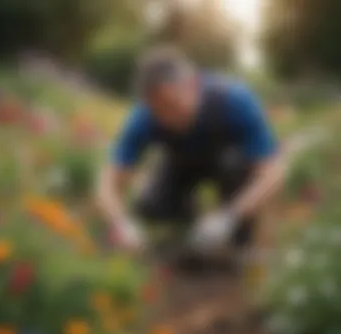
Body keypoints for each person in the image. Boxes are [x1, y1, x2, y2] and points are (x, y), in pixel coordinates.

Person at [97, 45, 284, 257]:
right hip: (181, 165)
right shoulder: (144, 117)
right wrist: (121, 223)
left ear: (192, 84)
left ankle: (234, 227)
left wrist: (230, 217)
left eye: (172, 105)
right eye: (158, 111)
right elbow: (108, 181)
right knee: (151, 205)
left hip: (230, 167)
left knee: (233, 167)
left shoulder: (235, 100)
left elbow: (273, 173)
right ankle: (190, 226)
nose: (167, 118)